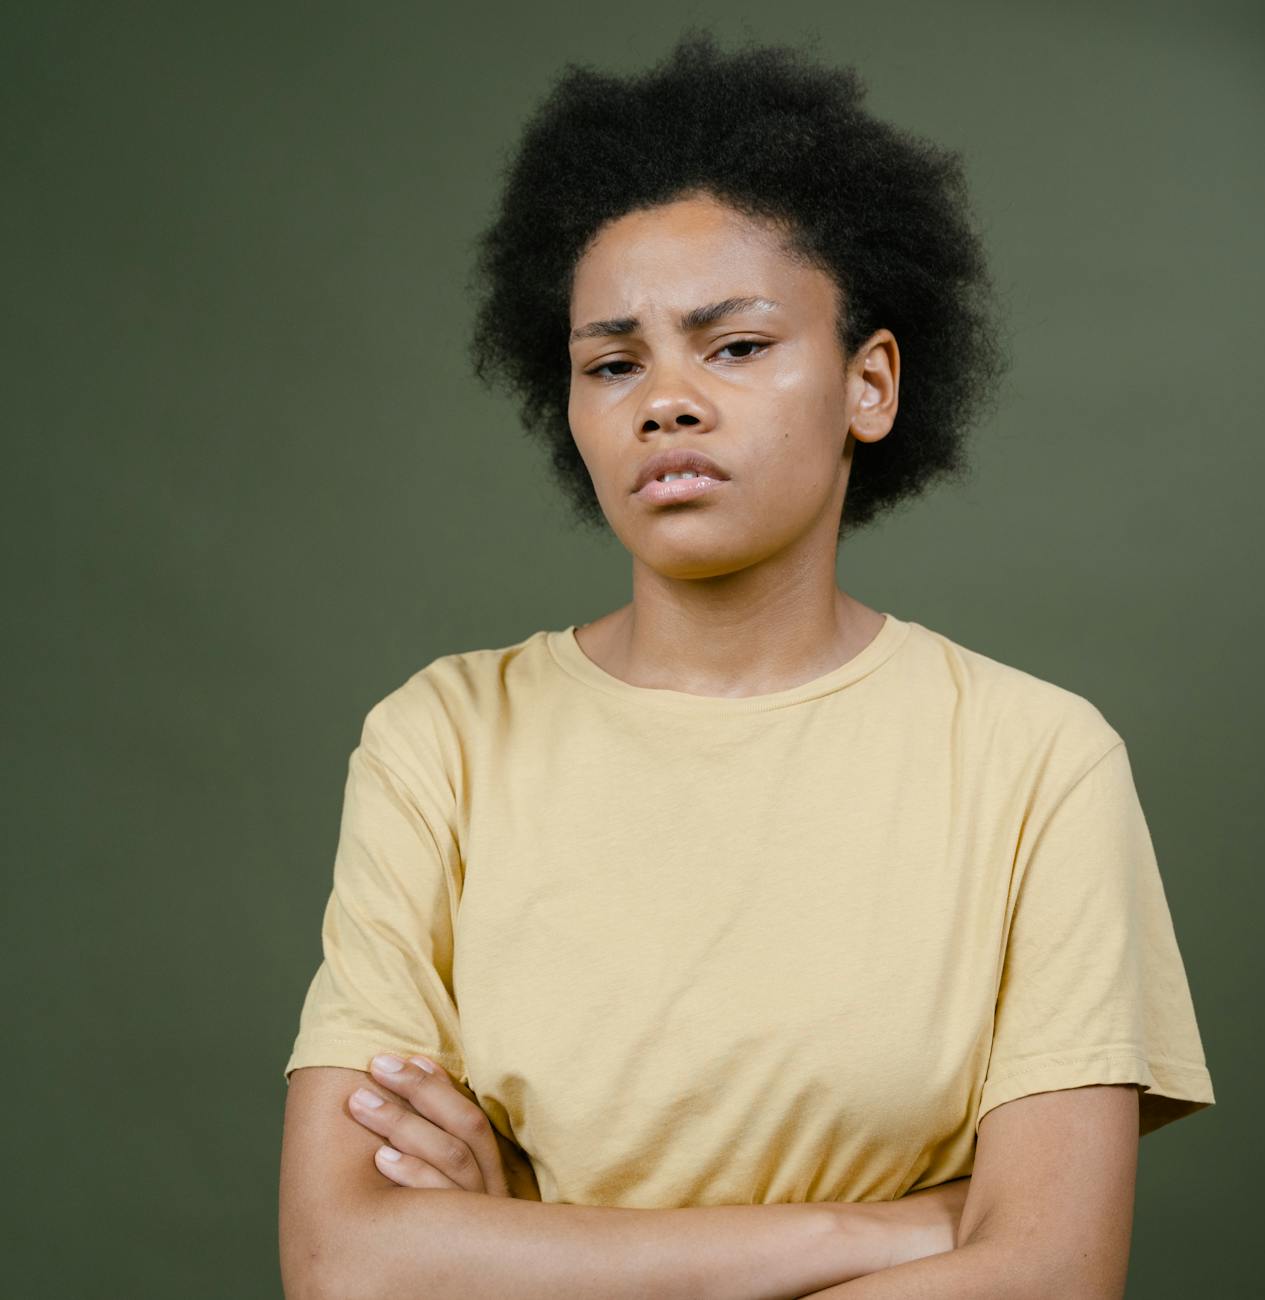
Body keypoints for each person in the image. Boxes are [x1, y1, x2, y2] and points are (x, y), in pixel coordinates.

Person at [277, 29, 1214, 1299]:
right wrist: (881, 1229)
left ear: (869, 383)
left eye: (735, 345)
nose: (665, 399)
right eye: (614, 362)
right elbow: (350, 1264)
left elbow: (1048, 1278)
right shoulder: (441, 740)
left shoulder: (1035, 760)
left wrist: (526, 1254)